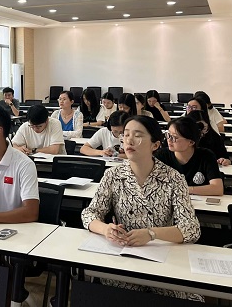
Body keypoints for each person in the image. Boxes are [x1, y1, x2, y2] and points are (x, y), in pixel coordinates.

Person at [81, 116, 201, 300]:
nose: (129, 140)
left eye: (137, 135)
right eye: (126, 134)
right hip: (124, 260)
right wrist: (105, 229)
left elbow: (191, 229)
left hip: (164, 262)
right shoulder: (113, 175)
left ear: (155, 145)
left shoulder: (173, 178)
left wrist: (151, 234)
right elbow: (90, 213)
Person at [155, 117, 224, 196]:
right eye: (168, 135)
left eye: (175, 137)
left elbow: (218, 189)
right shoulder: (161, 155)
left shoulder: (206, 156)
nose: (169, 140)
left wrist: (184, 189)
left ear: (191, 142)